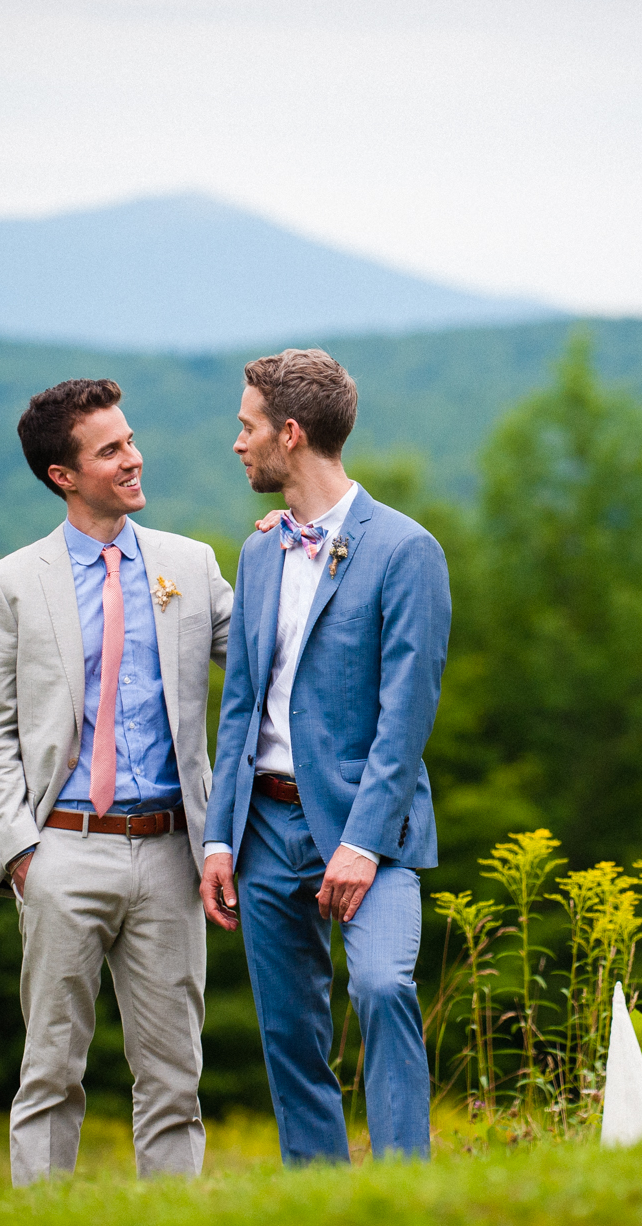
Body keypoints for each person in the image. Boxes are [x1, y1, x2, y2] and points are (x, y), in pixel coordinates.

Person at [0, 378, 233, 1183]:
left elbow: (261, 658)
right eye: (110, 449)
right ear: (63, 475)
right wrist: (22, 852)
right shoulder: (10, 582)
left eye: (130, 439)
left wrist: (298, 547)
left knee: (174, 1081)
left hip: (171, 854)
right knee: (51, 1072)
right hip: (62, 849)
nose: (133, 457)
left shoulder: (191, 564)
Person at [200, 348, 451, 1164]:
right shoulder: (259, 551)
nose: (238, 443)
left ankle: (404, 1183)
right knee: (290, 1032)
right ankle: (319, 1194)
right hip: (264, 830)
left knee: (383, 986)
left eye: (248, 427)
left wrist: (361, 842)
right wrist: (216, 838)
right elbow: (238, 703)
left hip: (367, 830)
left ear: (292, 433)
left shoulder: (408, 550)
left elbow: (405, 717)